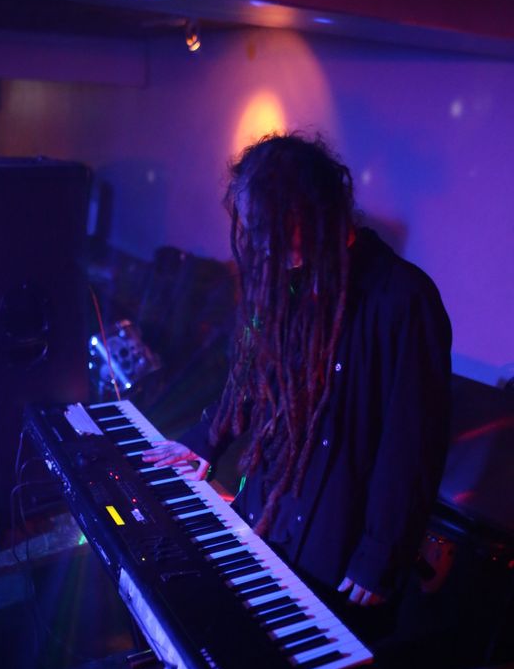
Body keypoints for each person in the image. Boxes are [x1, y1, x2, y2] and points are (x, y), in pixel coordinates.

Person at [142, 133, 451, 640]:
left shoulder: (402, 298)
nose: (262, 244)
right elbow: (249, 379)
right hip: (267, 518)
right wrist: (204, 441)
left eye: (270, 227)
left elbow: (413, 444)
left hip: (340, 552)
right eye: (253, 229)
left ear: (316, 211)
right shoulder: (284, 281)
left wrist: (381, 552)